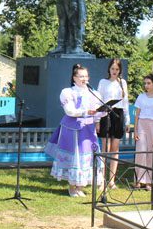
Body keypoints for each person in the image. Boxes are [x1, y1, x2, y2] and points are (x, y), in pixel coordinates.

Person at [44, 64, 105, 197]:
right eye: (81, 76)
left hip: (88, 129)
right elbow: (70, 111)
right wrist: (86, 111)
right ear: (74, 78)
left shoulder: (94, 93)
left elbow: (97, 111)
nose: (84, 78)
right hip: (73, 130)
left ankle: (80, 186)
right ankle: (72, 187)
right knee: (75, 157)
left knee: (87, 157)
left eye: (86, 76)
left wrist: (103, 112)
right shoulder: (68, 92)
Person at [96, 59, 129, 189]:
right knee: (105, 147)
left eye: (117, 69)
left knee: (115, 148)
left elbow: (125, 102)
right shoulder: (103, 82)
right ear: (109, 69)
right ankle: (101, 180)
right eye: (112, 69)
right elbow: (98, 101)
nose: (114, 71)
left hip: (118, 114)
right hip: (105, 114)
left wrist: (127, 120)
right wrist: (97, 120)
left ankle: (111, 180)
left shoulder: (123, 83)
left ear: (120, 70)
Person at [133, 75, 153, 190]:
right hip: (142, 124)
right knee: (140, 151)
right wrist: (135, 130)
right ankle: (139, 179)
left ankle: (149, 181)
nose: (146, 85)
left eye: (148, 83)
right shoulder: (141, 97)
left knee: (150, 153)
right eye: (145, 83)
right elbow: (137, 116)